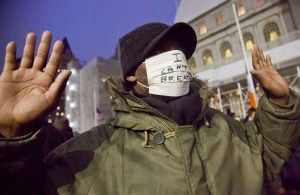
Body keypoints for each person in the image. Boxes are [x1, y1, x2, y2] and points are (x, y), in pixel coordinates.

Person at [0, 22, 299, 195]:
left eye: (177, 52)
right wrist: (12, 135)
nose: (174, 59)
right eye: (159, 52)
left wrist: (281, 103)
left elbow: (267, 156)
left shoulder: (223, 126)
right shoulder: (91, 154)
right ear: (131, 73)